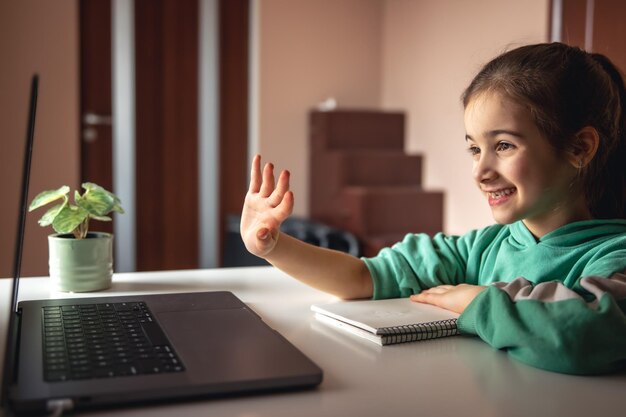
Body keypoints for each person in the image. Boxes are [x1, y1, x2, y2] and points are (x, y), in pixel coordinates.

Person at [240, 42, 626, 375]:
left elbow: (590, 334)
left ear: (580, 148)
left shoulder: (613, 255)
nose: (481, 171)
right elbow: (363, 277)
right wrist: (273, 246)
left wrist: (477, 302)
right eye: (474, 148)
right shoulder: (480, 249)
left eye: (504, 145)